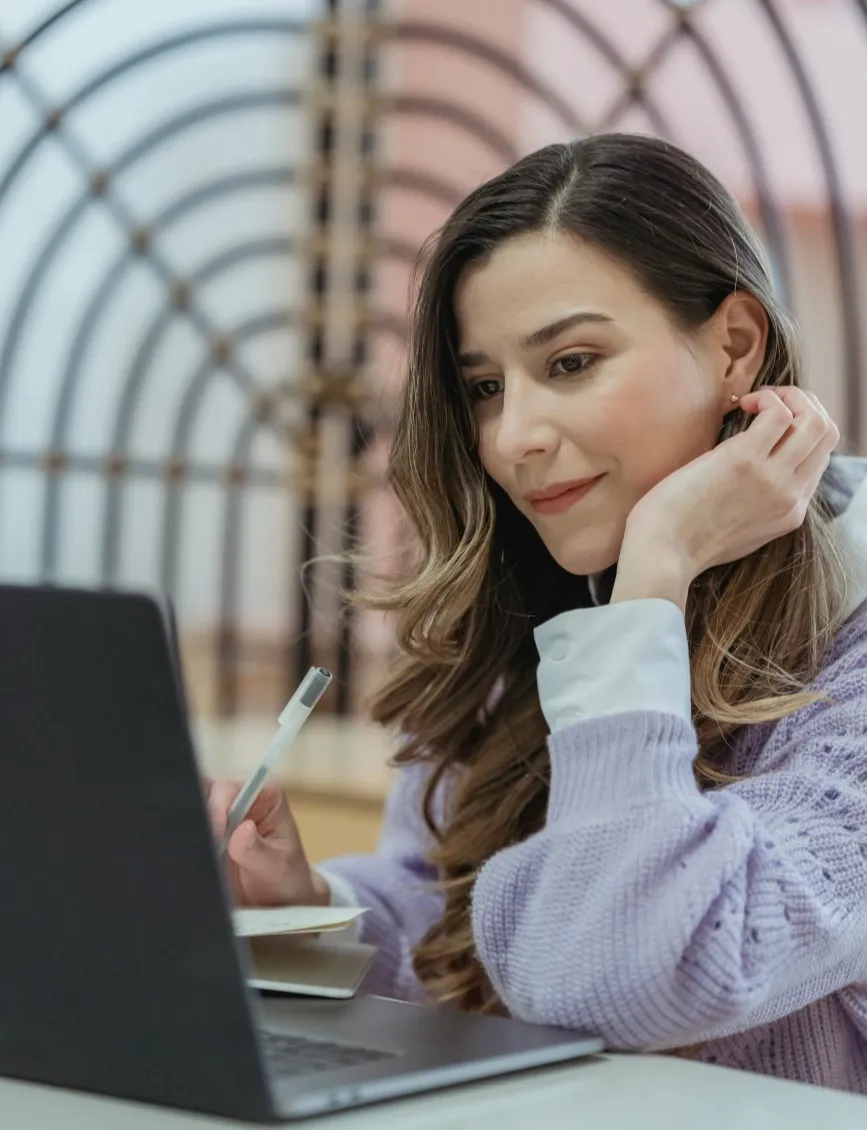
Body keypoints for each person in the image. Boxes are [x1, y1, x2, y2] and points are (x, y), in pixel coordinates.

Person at [208, 134, 867, 1091]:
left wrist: (658, 569)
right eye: (484, 388)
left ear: (733, 346)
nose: (513, 437)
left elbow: (632, 970)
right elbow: (451, 925)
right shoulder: (545, 600)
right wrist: (312, 906)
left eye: (570, 362)